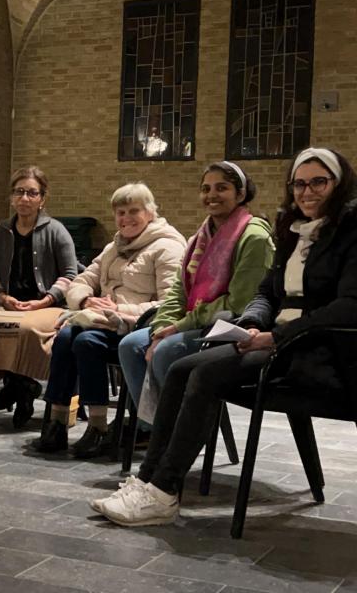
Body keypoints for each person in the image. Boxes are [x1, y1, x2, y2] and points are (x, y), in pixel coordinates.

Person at [91, 147, 357, 527]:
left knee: (203, 374)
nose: (307, 191)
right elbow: (267, 292)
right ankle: (148, 480)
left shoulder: (349, 233)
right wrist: (252, 323)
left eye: (319, 182)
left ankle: (164, 489)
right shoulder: (293, 231)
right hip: (275, 340)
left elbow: (349, 305)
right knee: (183, 368)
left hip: (320, 348)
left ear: (339, 184)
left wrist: (277, 336)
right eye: (299, 183)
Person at [116, 161, 274, 433]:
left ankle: (182, 436)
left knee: (169, 350)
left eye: (221, 188)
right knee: (131, 345)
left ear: (241, 194)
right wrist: (158, 329)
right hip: (195, 323)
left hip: (231, 328)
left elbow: (239, 303)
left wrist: (177, 328)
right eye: (205, 188)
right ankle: (152, 432)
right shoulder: (200, 236)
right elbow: (179, 291)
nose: (211, 195)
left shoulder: (254, 237)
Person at [36, 183, 186, 453]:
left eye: (133, 211)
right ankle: (57, 422)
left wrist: (120, 311)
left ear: (150, 213)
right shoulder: (113, 246)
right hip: (102, 319)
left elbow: (169, 304)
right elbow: (81, 279)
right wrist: (85, 300)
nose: (125, 218)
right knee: (65, 337)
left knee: (86, 343)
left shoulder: (168, 247)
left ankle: (98, 426)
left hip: (137, 328)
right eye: (120, 212)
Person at [0, 166, 77, 428]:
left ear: (42, 199)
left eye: (32, 193)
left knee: (26, 327)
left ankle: (18, 386)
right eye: (19, 192)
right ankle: (25, 386)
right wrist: (1, 297)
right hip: (9, 303)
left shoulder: (57, 231)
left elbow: (71, 274)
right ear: (11, 197)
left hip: (48, 304)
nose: (25, 198)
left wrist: (46, 299)